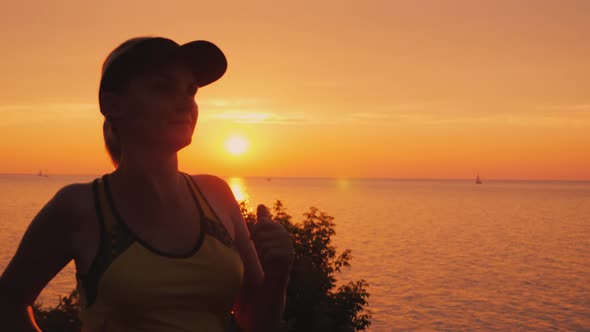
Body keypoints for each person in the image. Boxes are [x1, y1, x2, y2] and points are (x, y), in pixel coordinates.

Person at [0, 36, 294, 332]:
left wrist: (279, 271)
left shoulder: (217, 195)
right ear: (112, 103)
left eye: (191, 91)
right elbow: (8, 302)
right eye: (164, 87)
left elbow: (257, 323)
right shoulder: (80, 208)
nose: (185, 103)